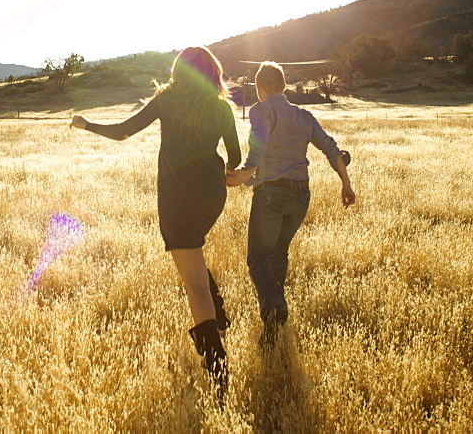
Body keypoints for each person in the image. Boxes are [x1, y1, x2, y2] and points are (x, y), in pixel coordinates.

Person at [71, 46, 240, 400]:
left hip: (177, 197)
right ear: (213, 72)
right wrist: (224, 169)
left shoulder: (167, 99)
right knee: (193, 255)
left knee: (193, 281)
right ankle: (219, 314)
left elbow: (123, 132)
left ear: (179, 70)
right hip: (211, 196)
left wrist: (87, 125)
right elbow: (234, 158)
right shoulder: (222, 106)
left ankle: (217, 367)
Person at [227, 61, 355, 347]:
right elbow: (331, 149)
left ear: (260, 88)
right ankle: (275, 319)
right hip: (301, 195)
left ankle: (274, 306)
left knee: (258, 259)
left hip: (272, 194)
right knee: (278, 256)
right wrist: (346, 184)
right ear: (283, 86)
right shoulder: (303, 115)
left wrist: (243, 176)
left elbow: (257, 151)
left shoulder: (261, 110)